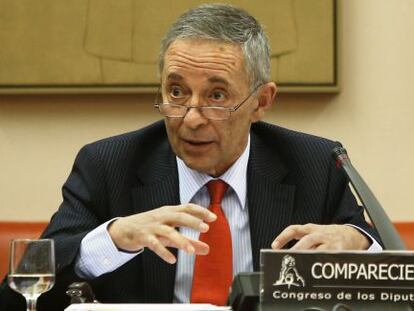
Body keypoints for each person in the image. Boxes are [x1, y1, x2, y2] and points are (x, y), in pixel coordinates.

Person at [0, 4, 381, 310]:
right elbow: (17, 295)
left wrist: (359, 242)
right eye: (177, 92)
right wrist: (112, 238)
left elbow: (384, 263)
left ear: (261, 102)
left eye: (217, 96)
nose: (192, 118)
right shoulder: (108, 165)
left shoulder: (314, 164)